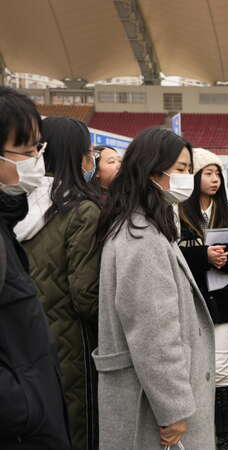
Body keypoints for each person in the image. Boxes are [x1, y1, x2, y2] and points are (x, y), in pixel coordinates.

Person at [93, 128, 215, 449]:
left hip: (147, 393)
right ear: (151, 170)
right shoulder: (141, 236)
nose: (188, 177)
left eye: (189, 169)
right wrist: (174, 409)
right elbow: (154, 332)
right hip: (150, 404)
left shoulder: (143, 223)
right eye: (181, 169)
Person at [15, 116, 101, 450]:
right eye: (88, 152)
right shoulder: (81, 211)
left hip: (23, 341)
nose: (92, 160)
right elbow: (86, 296)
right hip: (72, 348)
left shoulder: (16, 203)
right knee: (77, 431)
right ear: (74, 155)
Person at [0, 86, 71, 449]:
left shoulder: (7, 222)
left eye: (37, 150)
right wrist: (24, 406)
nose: (36, 162)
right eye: (26, 152)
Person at [177, 148, 228, 450]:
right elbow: (171, 256)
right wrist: (204, 255)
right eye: (208, 173)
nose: (215, 179)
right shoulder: (176, 211)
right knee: (188, 369)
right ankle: (191, 431)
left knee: (221, 370)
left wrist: (224, 259)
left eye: (218, 174)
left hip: (220, 301)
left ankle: (223, 440)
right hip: (188, 301)